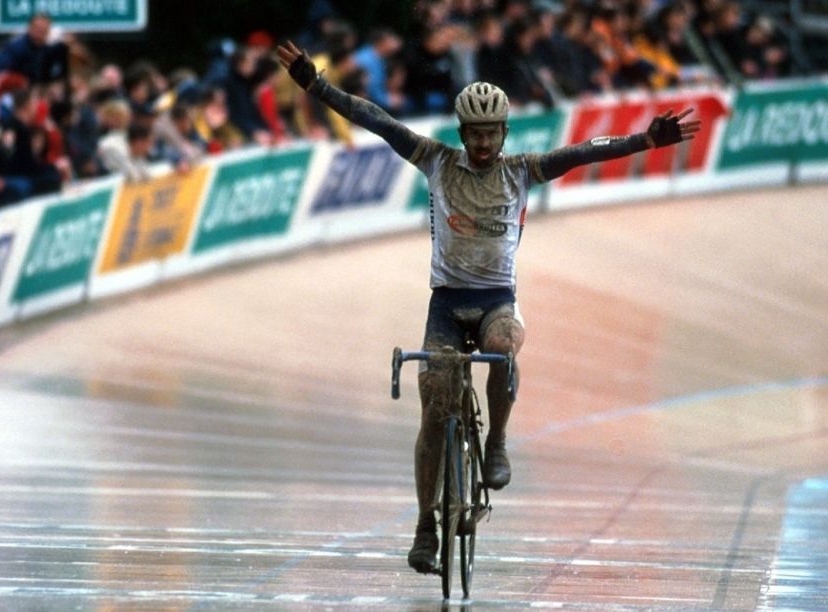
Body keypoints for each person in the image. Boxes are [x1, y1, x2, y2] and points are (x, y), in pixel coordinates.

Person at [277, 39, 699, 575]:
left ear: (504, 134)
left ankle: (497, 441)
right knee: (433, 407)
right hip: (447, 307)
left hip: (497, 303)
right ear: (461, 133)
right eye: (473, 134)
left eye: (490, 134)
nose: (481, 143)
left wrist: (645, 139)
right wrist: (317, 86)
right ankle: (426, 524)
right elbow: (377, 121)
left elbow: (588, 150)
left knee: (503, 349)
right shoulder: (435, 160)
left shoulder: (523, 170)